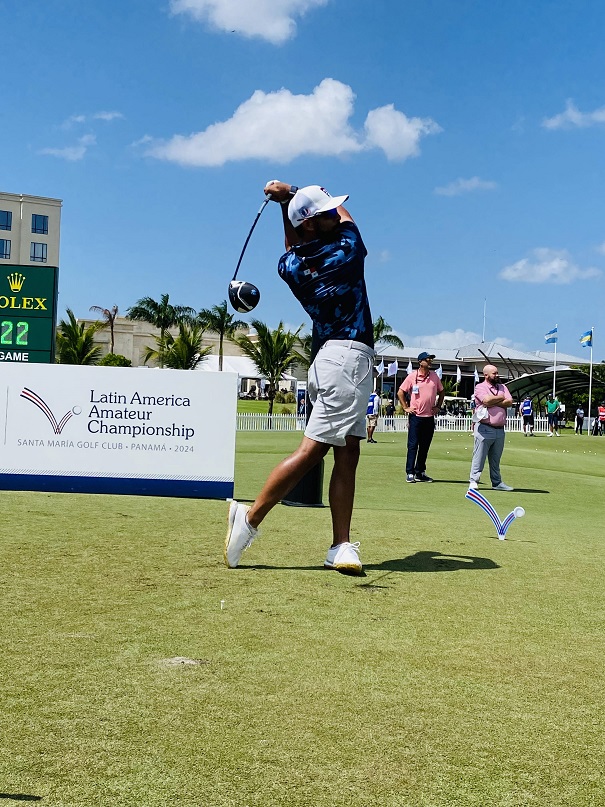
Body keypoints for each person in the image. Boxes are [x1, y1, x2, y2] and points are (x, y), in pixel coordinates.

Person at [225, 182, 374, 575]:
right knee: (316, 450)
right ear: (311, 224)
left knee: (348, 452)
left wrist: (284, 204)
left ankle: (339, 545)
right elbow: (348, 221)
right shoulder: (345, 250)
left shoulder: (289, 266)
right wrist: (290, 190)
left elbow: (293, 243)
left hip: (330, 358)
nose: (333, 214)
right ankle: (250, 520)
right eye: (324, 212)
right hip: (347, 359)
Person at [397, 352, 444, 482]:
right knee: (413, 445)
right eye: (427, 359)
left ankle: (420, 472)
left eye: (431, 359)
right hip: (416, 416)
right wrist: (406, 407)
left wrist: (438, 406)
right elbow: (400, 392)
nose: (430, 361)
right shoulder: (412, 377)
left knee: (425, 446)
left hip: (429, 417)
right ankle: (410, 472)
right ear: (420, 362)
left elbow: (441, 391)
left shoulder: (434, 376)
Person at [469, 364, 514, 491]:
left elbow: (510, 401)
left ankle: (497, 482)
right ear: (486, 375)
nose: (497, 375)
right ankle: (474, 480)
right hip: (484, 427)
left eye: (497, 373)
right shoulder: (480, 387)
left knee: (495, 459)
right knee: (479, 456)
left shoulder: (502, 386)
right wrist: (501, 398)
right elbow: (486, 401)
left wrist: (494, 400)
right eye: (494, 373)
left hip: (499, 429)